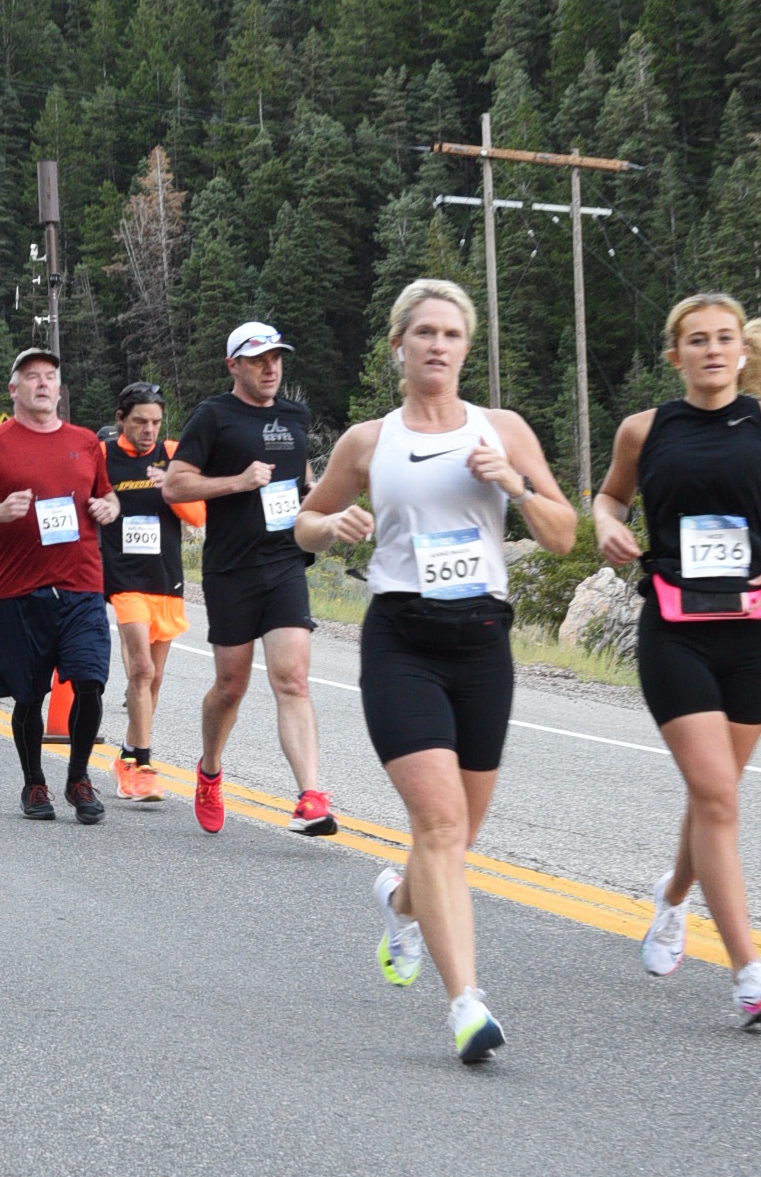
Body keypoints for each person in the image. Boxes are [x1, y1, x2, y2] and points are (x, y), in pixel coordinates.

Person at [297, 282, 577, 1066]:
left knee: (453, 837)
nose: (438, 345)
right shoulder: (368, 441)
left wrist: (514, 484)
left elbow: (563, 535)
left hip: (483, 642)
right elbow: (303, 525)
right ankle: (467, 1005)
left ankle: (399, 902)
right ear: (399, 345)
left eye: (452, 334)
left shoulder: (502, 430)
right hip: (403, 643)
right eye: (424, 332)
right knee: (442, 827)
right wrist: (335, 523)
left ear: (466, 348)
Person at [594, 292, 761, 1031]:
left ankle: (672, 897)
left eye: (724, 338)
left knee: (715, 796)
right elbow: (610, 498)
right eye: (696, 340)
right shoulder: (645, 429)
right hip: (676, 630)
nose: (712, 350)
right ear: (676, 355)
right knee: (718, 797)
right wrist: (606, 526)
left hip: (753, 632)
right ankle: (748, 974)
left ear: (742, 351)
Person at [166, 322, 336, 837]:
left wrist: (321, 504)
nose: (270, 368)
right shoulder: (213, 416)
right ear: (233, 365)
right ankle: (209, 770)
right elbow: (175, 486)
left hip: (284, 562)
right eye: (259, 359)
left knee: (293, 678)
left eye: (276, 358)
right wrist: (239, 482)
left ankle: (310, 796)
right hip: (231, 568)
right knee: (230, 686)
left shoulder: (295, 415)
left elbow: (303, 481)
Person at [0, 348, 119, 822]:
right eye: (32, 377)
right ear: (14, 389)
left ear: (60, 389)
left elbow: (106, 496)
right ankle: (34, 783)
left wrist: (109, 508)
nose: (43, 383)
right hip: (20, 590)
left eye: (50, 377)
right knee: (29, 696)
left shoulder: (86, 442)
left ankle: (78, 778)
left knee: (90, 683)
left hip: (81, 584)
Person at [100, 380, 203, 803]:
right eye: (140, 421)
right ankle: (143, 765)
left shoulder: (174, 454)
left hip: (165, 577)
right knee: (141, 669)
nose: (149, 430)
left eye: (156, 422)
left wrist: (170, 487)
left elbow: (197, 516)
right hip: (123, 578)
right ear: (121, 419)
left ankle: (126, 754)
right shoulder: (102, 456)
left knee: (153, 677)